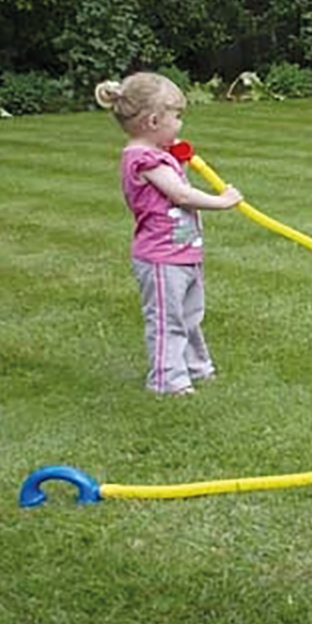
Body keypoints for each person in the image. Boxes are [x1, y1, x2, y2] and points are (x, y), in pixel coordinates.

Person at [93, 71, 242, 396]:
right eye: (177, 117)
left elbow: (176, 186)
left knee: (189, 316)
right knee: (167, 321)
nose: (180, 125)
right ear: (154, 121)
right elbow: (182, 196)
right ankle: (166, 379)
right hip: (162, 259)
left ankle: (195, 368)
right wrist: (223, 201)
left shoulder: (158, 156)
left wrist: (180, 163)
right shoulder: (143, 159)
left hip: (183, 252)